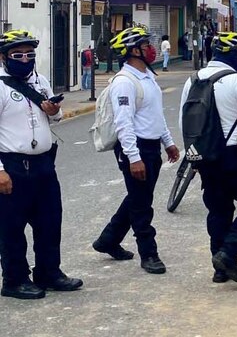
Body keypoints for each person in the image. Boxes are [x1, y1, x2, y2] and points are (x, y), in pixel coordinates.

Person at [180, 32, 237, 285]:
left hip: (205, 154)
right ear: (232, 56)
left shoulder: (193, 80)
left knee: (219, 210)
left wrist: (194, 154)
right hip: (234, 154)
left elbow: (183, 121)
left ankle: (220, 267)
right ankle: (229, 252)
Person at [0, 30, 82, 299]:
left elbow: (56, 118)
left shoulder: (41, 81)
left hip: (44, 164)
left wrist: (54, 111)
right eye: (17, 55)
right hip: (12, 165)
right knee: (12, 227)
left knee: (49, 221)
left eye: (30, 54)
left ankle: (49, 272)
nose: (25, 59)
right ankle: (14, 279)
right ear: (4, 58)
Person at [92, 27, 179, 275]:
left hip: (151, 146)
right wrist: (134, 158)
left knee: (136, 197)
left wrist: (168, 141)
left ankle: (108, 240)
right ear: (133, 51)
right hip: (135, 148)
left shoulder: (148, 77)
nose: (151, 48)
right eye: (145, 45)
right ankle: (149, 254)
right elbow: (124, 123)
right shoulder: (124, 82)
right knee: (142, 204)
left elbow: (156, 115)